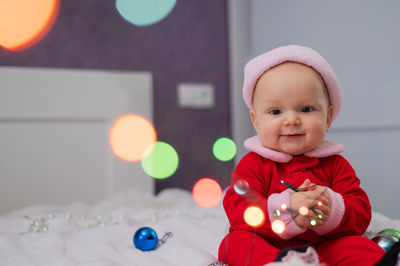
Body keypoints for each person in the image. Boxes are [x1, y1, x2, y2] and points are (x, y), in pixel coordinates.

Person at [218, 45, 398, 265]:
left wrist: (331, 208)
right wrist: (287, 209)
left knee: (355, 244)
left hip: (324, 245)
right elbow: (238, 208)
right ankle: (281, 262)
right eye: (276, 111)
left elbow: (360, 212)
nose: (291, 120)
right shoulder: (254, 164)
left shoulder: (335, 164)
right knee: (234, 242)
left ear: (328, 117)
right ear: (256, 121)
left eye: (306, 109)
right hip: (270, 243)